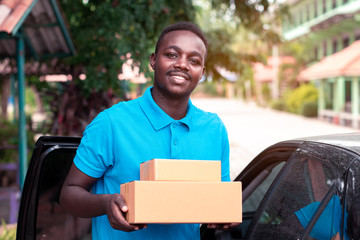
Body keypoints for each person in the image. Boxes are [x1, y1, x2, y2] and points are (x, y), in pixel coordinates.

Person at [60, 21, 231, 239]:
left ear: (201, 72)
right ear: (153, 60)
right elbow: (69, 193)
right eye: (171, 54)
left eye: (194, 60)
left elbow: (218, 201)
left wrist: (226, 214)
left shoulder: (214, 129)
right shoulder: (112, 123)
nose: (182, 64)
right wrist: (106, 203)